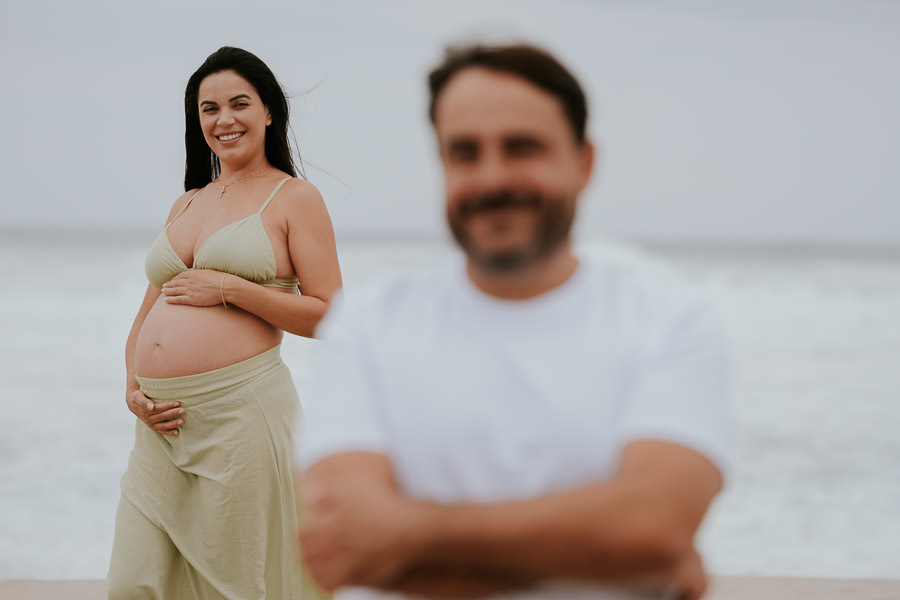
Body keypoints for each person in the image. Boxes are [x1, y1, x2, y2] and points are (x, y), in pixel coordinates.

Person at [295, 43, 733, 600]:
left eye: (522, 148)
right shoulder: (365, 324)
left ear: (584, 163)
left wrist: (408, 533)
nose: (492, 178)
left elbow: (653, 531)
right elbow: (345, 550)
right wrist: (614, 555)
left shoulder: (669, 318)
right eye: (465, 152)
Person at [108, 46, 339, 599]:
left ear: (269, 111)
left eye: (239, 104)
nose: (223, 119)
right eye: (209, 109)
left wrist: (231, 289)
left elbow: (331, 315)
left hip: (239, 418)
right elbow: (150, 307)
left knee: (234, 586)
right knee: (131, 583)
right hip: (160, 426)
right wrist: (134, 386)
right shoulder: (186, 203)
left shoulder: (295, 198)